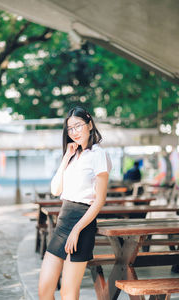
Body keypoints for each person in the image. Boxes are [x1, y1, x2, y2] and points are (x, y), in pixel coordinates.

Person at [38, 106, 112, 300]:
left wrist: (77, 229)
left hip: (83, 223)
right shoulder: (72, 155)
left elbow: (100, 200)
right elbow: (56, 190)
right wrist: (66, 158)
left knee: (68, 294)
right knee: (44, 291)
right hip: (63, 221)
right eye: (70, 129)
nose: (74, 132)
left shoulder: (98, 154)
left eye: (78, 126)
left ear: (89, 124)